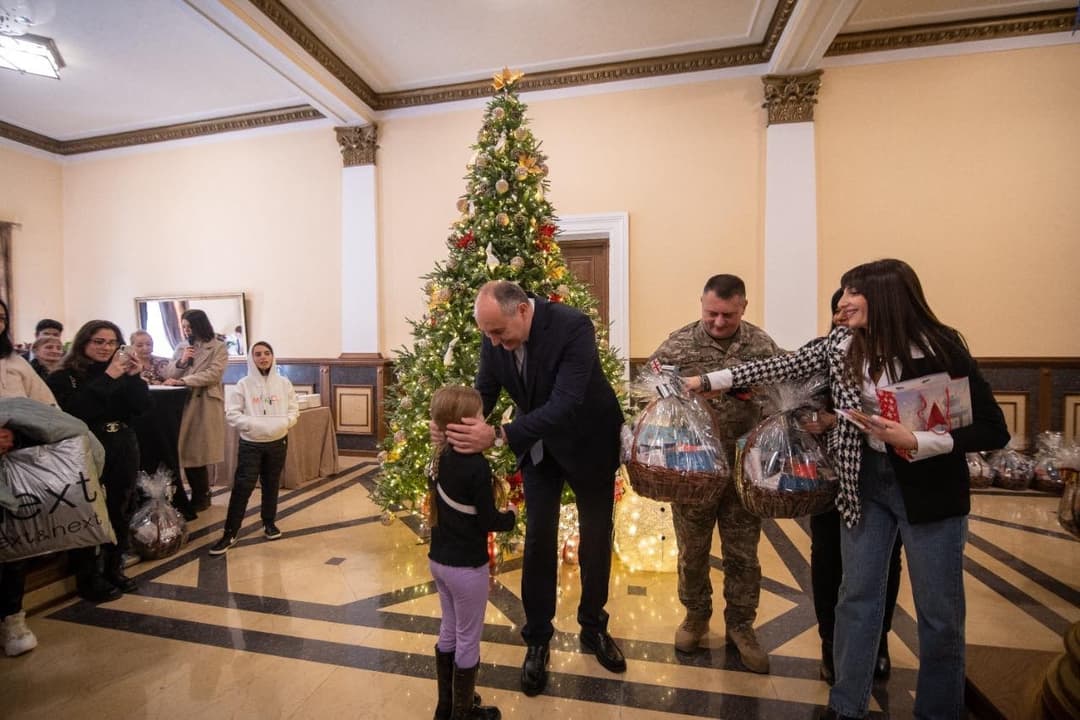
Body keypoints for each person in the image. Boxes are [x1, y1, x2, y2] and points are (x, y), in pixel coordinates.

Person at [684, 259, 1009, 720]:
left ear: (886, 298)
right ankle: (845, 705)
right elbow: (780, 364)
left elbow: (994, 430)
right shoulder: (841, 344)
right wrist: (704, 381)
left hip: (929, 490)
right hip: (864, 483)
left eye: (853, 292)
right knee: (856, 598)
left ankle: (938, 711)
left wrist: (917, 439)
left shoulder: (941, 346)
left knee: (938, 615)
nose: (843, 302)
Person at [442, 280, 625, 696]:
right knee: (540, 538)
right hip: (541, 447)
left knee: (596, 539)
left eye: (499, 333)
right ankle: (538, 639)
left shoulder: (573, 326)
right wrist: (458, 427)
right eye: (487, 334)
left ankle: (593, 626)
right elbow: (485, 392)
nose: (493, 342)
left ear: (522, 311)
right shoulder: (495, 334)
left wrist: (500, 435)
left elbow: (565, 402)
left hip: (590, 442)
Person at [647, 274, 779, 673]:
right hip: (693, 468)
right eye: (711, 313)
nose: (719, 322)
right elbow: (652, 392)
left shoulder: (760, 345)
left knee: (743, 554)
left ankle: (741, 626)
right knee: (692, 550)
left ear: (743, 307)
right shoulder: (678, 343)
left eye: (728, 314)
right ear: (701, 304)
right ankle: (695, 616)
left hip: (742, 469)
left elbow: (778, 395)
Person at [801, 289, 903, 685]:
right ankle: (831, 643)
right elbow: (793, 404)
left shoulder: (889, 355)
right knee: (828, 560)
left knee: (885, 563)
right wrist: (816, 419)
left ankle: (879, 642)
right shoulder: (819, 351)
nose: (844, 317)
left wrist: (839, 420)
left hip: (883, 474)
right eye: (839, 311)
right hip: (829, 476)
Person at [428, 385, 517, 720]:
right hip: (467, 567)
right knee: (468, 638)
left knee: (449, 628)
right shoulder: (476, 467)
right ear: (463, 423)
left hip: (439, 561)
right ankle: (463, 713)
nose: (484, 421)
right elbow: (488, 520)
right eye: (479, 415)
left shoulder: (439, 457)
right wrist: (511, 515)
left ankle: (446, 706)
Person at [48, 320, 151, 602]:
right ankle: (88, 575)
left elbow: (141, 407)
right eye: (99, 341)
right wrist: (110, 376)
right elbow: (76, 411)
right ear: (84, 342)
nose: (106, 347)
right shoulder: (65, 376)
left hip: (122, 443)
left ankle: (113, 568)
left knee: (121, 506)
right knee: (88, 510)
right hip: (86, 447)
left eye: (112, 342)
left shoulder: (122, 372)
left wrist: (134, 377)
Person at [0, 299, 56, 657]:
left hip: (12, 465)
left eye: (1, 317)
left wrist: (15, 436)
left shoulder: (14, 363)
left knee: (11, 546)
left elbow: (48, 410)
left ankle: (11, 618)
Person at [210, 342, 298, 555]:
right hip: (251, 443)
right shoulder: (243, 384)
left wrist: (283, 423)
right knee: (243, 487)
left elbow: (294, 409)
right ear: (251, 358)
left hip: (278, 441)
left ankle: (269, 523)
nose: (263, 357)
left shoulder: (284, 383)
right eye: (258, 354)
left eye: (267, 353)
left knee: (271, 484)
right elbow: (232, 413)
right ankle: (230, 532)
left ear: (272, 356)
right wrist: (252, 425)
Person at [164, 309, 227, 513]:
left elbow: (213, 374)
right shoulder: (183, 347)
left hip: (203, 403)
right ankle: (192, 494)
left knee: (197, 451)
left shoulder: (217, 347)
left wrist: (185, 380)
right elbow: (168, 373)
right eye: (183, 327)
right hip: (180, 403)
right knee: (184, 451)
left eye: (189, 327)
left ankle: (202, 494)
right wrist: (182, 361)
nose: (186, 331)